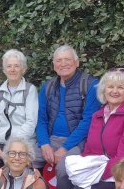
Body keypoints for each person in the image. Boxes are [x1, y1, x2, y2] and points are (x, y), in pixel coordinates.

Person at [36, 45, 99, 176]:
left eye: (67, 59)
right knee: (21, 159)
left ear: (77, 62)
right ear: (54, 65)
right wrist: (45, 144)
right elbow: (41, 119)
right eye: (58, 60)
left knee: (63, 168)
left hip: (77, 142)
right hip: (51, 139)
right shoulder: (48, 86)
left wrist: (64, 148)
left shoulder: (90, 85)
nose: (63, 64)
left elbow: (88, 122)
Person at [0, 49, 39, 183]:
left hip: (23, 143)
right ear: (4, 70)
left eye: (16, 66)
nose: (12, 69)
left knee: (20, 174)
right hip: (0, 146)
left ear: (23, 69)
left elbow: (31, 123)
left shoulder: (30, 90)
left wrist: (12, 148)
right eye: (9, 66)